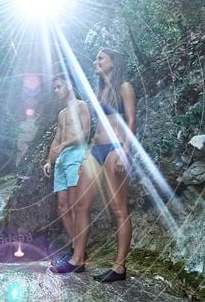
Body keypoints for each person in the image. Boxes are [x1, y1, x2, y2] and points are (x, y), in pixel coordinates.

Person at [50, 49, 136, 282]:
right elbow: (97, 127)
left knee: (118, 209)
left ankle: (119, 267)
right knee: (80, 205)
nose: (96, 61)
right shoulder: (101, 90)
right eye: (96, 57)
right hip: (94, 151)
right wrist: (86, 154)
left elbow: (131, 121)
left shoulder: (124, 87)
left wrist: (125, 152)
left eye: (101, 58)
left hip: (115, 148)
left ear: (113, 62)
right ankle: (77, 260)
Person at [42, 74, 90, 267]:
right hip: (61, 160)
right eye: (54, 88)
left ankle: (76, 256)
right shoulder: (61, 114)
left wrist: (65, 144)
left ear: (69, 85)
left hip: (76, 155)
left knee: (75, 205)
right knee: (62, 207)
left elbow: (86, 133)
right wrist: (49, 160)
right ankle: (78, 250)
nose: (56, 91)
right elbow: (57, 139)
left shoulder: (81, 106)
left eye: (59, 86)